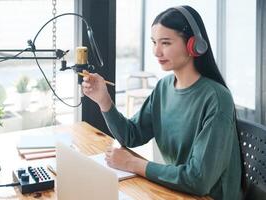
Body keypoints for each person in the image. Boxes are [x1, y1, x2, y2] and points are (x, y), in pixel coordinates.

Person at [82, 5, 242, 200]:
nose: (156, 52)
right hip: (174, 192)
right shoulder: (164, 87)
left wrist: (133, 164)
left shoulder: (217, 99)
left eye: (165, 43)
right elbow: (131, 135)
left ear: (194, 45)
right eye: (154, 42)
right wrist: (103, 100)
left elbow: (198, 180)